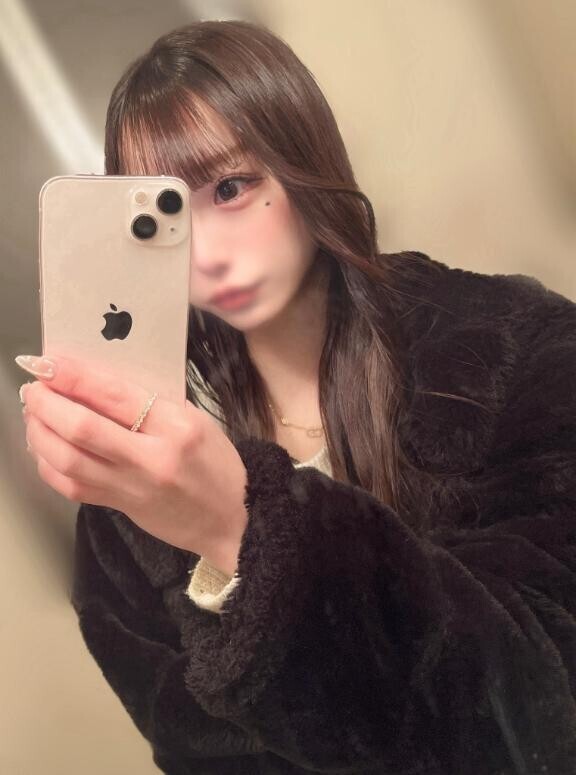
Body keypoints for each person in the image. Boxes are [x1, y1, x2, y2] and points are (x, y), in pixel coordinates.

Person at [54, 19, 576, 775]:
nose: (204, 252)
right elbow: (194, 748)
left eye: (231, 189)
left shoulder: (522, 352)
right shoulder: (129, 497)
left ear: (301, 156)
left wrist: (236, 528)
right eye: (163, 216)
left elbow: (538, 702)